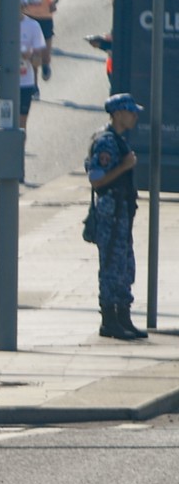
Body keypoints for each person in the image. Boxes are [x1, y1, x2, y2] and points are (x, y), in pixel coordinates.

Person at [90, 94, 146, 339]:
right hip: (110, 214)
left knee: (124, 265)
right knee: (111, 265)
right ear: (117, 114)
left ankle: (123, 317)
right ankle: (109, 320)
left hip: (121, 213)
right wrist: (124, 166)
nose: (135, 116)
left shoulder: (119, 140)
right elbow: (96, 179)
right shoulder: (106, 142)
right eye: (130, 112)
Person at [0, 0, 47, 131]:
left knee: (20, 126)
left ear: (24, 6)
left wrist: (28, 56)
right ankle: (0, 145)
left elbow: (38, 61)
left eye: (18, 6)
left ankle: (18, 146)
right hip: (2, 81)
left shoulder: (33, 26)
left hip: (24, 83)